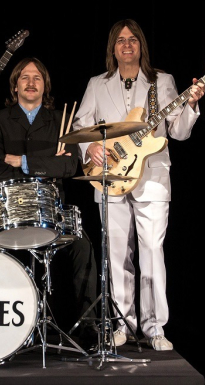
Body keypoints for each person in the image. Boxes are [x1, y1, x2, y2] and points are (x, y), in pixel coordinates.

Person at [72, 18, 204, 351]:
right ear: (112, 48)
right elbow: (81, 125)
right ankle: (123, 324)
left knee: (152, 253)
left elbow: (178, 132)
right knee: (117, 255)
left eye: (133, 39)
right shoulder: (97, 84)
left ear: (141, 45)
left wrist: (190, 104)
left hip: (152, 178)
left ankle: (155, 327)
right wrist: (92, 147)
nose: (127, 44)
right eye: (121, 40)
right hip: (111, 174)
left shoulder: (162, 81)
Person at [0, 57, 98, 348]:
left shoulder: (61, 120)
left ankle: (88, 328)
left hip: (53, 214)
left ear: (45, 86)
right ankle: (7, 330)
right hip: (12, 213)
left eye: (37, 78)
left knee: (83, 247)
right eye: (25, 77)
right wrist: (46, 163)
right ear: (15, 85)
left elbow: (69, 167)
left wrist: (20, 160)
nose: (31, 82)